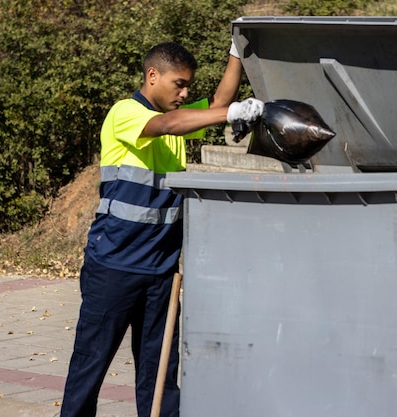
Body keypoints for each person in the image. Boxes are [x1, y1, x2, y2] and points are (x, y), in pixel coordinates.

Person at [60, 41, 263, 417]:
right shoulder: (128, 113)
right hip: (114, 266)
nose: (185, 94)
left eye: (188, 87)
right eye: (179, 84)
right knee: (91, 363)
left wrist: (237, 53)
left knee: (160, 374)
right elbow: (170, 123)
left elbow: (218, 103)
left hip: (161, 269)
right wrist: (228, 114)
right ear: (152, 76)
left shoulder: (177, 121)